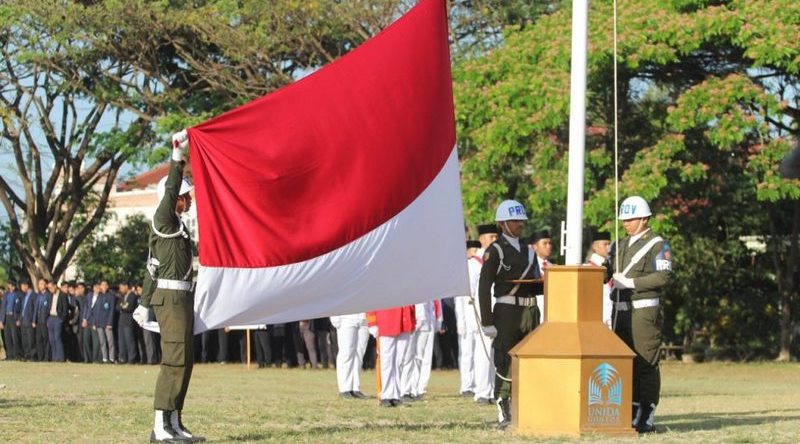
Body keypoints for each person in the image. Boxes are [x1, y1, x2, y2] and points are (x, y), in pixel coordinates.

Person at [133, 129, 204, 443]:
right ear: (173, 198)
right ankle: (160, 424)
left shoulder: (178, 228)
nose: (188, 201)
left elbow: (152, 267)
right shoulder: (164, 218)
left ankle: (174, 420)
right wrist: (178, 156)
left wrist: (143, 302)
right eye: (185, 196)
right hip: (171, 299)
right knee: (174, 358)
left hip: (181, 298)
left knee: (184, 360)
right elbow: (172, 186)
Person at [607, 196, 672, 434]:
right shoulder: (619, 245)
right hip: (620, 311)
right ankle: (630, 408)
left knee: (646, 362)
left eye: (631, 219)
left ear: (644, 219)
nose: (626, 223)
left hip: (644, 311)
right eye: (624, 219)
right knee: (626, 363)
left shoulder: (657, 245)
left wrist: (631, 282)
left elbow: (663, 277)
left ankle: (647, 411)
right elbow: (607, 271)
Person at [478, 199, 540, 429]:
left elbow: (534, 284)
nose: (520, 224)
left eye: (521, 220)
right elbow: (484, 287)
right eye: (515, 220)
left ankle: (526, 405)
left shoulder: (529, 251)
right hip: (507, 310)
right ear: (503, 223)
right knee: (505, 358)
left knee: (529, 359)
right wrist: (487, 321)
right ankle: (503, 405)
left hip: (530, 309)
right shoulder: (495, 251)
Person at [455, 239, 495, 404]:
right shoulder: (473, 264)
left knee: (492, 355)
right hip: (478, 315)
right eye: (491, 236)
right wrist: (465, 320)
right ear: (483, 239)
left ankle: (491, 390)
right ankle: (481, 391)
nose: (494, 240)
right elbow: (466, 295)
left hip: (494, 313)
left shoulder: (494, 260)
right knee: (480, 354)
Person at [367, 305, 415, 407]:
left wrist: (412, 320)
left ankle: (396, 395)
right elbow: (372, 298)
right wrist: (372, 322)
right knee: (386, 361)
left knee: (399, 361)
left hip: (404, 320)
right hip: (385, 320)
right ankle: (385, 395)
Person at [401, 299, 442, 401]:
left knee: (419, 358)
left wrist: (436, 319)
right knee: (408, 357)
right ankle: (404, 390)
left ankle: (415, 390)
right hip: (412, 320)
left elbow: (434, 302)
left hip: (425, 320)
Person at [330, 312, 369, 398]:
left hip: (364, 318)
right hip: (347, 318)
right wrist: (334, 316)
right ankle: (344, 388)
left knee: (359, 354)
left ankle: (355, 388)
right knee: (346, 353)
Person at [585, 230, 613, 328]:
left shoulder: (612, 267)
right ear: (595, 246)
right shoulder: (587, 269)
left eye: (609, 244)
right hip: (596, 319)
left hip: (612, 317)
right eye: (605, 244)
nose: (608, 247)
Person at [527, 229, 552, 323]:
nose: (548, 246)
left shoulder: (553, 267)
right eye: (544, 243)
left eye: (549, 243)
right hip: (534, 311)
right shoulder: (529, 266)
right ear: (535, 247)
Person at [45, 280, 69, 362]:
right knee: (51, 339)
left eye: (51, 287)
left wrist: (61, 319)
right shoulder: (50, 295)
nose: (50, 289)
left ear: (55, 286)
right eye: (49, 288)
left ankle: (60, 357)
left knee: (57, 337)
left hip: (58, 318)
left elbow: (65, 309)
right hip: (51, 318)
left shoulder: (63, 295)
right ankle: (54, 357)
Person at [93, 280, 116, 363]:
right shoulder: (99, 296)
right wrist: (95, 322)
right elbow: (95, 310)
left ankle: (112, 358)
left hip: (107, 322)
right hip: (99, 322)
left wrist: (110, 323)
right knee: (102, 341)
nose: (103, 286)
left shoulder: (110, 296)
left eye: (105, 285)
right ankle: (105, 358)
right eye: (102, 285)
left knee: (110, 341)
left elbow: (111, 311)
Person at [117, 281, 140, 364]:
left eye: (121, 287)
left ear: (126, 286)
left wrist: (122, 306)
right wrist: (124, 306)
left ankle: (132, 358)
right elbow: (117, 306)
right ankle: (122, 358)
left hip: (129, 321)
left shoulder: (133, 295)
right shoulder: (122, 296)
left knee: (129, 340)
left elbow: (130, 307)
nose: (120, 289)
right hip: (121, 321)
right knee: (121, 341)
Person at [1, 280, 22, 360]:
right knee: (7, 336)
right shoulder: (6, 295)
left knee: (15, 336)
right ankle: (9, 355)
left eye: (12, 285)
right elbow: (3, 307)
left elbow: (20, 308)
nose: (11, 287)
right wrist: (1, 321)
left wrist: (19, 319)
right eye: (9, 285)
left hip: (14, 317)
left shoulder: (18, 294)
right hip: (7, 317)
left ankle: (16, 354)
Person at [32, 279, 51, 361]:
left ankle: (46, 357)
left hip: (45, 321)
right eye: (39, 284)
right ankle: (40, 357)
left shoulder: (48, 296)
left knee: (45, 339)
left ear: (46, 285)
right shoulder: (38, 296)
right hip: (38, 321)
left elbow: (48, 309)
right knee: (38, 339)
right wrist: (34, 320)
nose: (40, 285)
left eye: (42, 284)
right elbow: (36, 309)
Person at [19, 279, 37, 361]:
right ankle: (27, 355)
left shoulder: (34, 295)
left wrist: (33, 320)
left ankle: (33, 356)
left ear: (27, 286)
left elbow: (35, 309)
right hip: (23, 320)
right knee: (25, 339)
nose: (21, 287)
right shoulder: (24, 296)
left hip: (29, 321)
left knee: (31, 339)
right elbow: (22, 309)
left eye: (22, 286)